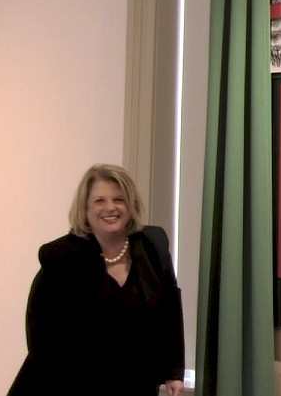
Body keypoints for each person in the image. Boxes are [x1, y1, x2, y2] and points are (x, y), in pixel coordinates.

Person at [9, 164, 185, 396]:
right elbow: (41, 344)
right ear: (85, 209)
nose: (110, 208)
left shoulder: (153, 244)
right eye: (100, 201)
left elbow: (169, 311)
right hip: (71, 385)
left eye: (119, 199)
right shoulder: (60, 257)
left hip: (136, 383)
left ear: (130, 205)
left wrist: (174, 372)